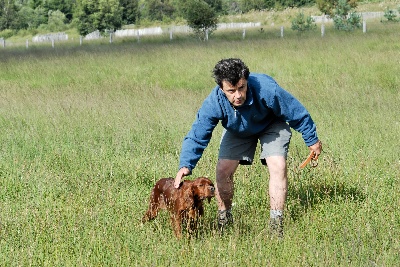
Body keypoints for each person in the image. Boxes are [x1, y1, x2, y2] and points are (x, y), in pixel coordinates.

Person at [174, 58, 322, 237]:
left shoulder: (267, 89)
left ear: (247, 81)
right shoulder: (214, 102)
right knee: (222, 170)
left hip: (271, 123)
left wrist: (312, 139)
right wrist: (185, 165)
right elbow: (198, 134)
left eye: (242, 88)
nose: (238, 95)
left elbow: (295, 111)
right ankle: (224, 219)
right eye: (231, 90)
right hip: (238, 129)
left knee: (278, 165)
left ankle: (276, 226)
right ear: (221, 89)